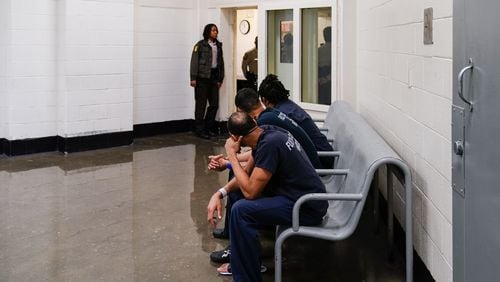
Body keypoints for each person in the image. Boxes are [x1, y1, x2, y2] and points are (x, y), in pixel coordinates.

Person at [206, 87, 323, 264]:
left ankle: (242, 254)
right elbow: (252, 163)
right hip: (300, 184)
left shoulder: (268, 132)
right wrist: (220, 192)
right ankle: (238, 242)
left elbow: (251, 191)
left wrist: (230, 156)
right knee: (237, 183)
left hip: (305, 203)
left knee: (242, 207)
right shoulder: (265, 126)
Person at [258, 74, 334, 169]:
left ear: (265, 100)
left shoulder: (280, 116)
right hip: (326, 155)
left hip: (320, 161)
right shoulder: (289, 106)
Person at [190, 23, 225, 139]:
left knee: (214, 104)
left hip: (214, 78)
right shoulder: (200, 45)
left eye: (216, 30)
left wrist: (220, 78)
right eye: (213, 30)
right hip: (202, 78)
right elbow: (194, 62)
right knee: (201, 105)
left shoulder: (218, 46)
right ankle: (199, 130)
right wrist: (193, 78)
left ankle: (208, 128)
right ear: (208, 32)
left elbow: (221, 63)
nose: (215, 32)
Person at [318, 26, 332, 105]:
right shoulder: (335, 50)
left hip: (320, 82)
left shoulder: (318, 50)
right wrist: (327, 79)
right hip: (329, 82)